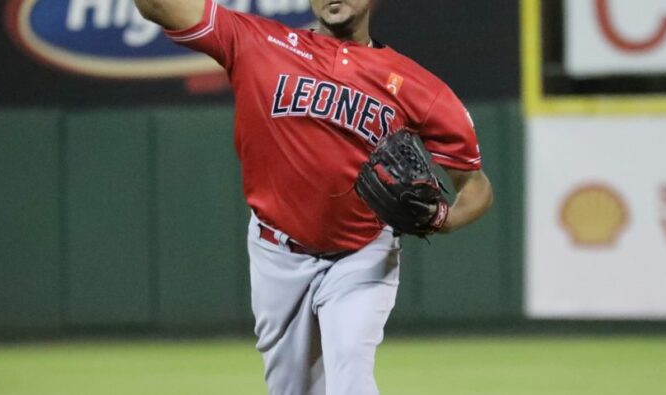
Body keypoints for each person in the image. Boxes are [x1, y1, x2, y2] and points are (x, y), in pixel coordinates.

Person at [134, 0, 493, 393]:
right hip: (277, 254)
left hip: (362, 254)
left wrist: (443, 218)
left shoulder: (418, 86)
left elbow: (475, 185)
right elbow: (157, 6)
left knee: (350, 377)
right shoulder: (257, 42)